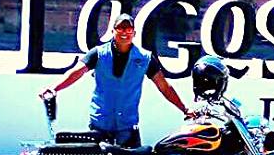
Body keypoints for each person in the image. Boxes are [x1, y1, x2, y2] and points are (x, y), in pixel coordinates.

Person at [39, 13, 190, 147]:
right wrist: (54, 88)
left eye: (128, 29)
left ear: (134, 33)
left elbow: (164, 86)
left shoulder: (145, 58)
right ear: (113, 31)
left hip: (128, 126)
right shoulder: (98, 53)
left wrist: (184, 109)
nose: (124, 32)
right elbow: (76, 72)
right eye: (120, 28)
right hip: (100, 125)